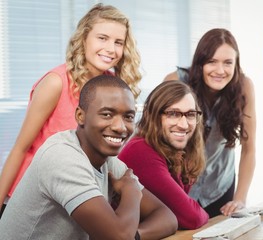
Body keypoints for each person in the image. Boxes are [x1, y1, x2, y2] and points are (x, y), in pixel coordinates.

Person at [0, 3, 142, 217]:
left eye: (118, 42)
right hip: (32, 199)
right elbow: (20, 148)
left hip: (74, 197)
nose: (111, 49)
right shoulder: (56, 83)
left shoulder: (114, 86)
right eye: (102, 38)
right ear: (84, 38)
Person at [0, 75, 177, 239]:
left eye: (128, 116)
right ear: (80, 116)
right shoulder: (62, 156)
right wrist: (131, 192)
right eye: (107, 114)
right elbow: (119, 236)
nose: (120, 127)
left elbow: (167, 218)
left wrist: (134, 236)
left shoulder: (108, 160)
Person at [164, 28, 256, 218]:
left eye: (228, 63)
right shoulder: (176, 82)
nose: (220, 71)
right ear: (200, 63)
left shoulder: (244, 87)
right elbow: (155, 141)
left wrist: (240, 199)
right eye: (212, 62)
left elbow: (249, 148)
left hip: (219, 188)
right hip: (178, 190)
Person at [119, 80, 209, 229]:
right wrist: (204, 214)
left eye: (190, 114)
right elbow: (192, 217)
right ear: (154, 115)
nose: (184, 124)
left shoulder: (178, 150)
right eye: (173, 114)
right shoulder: (140, 151)